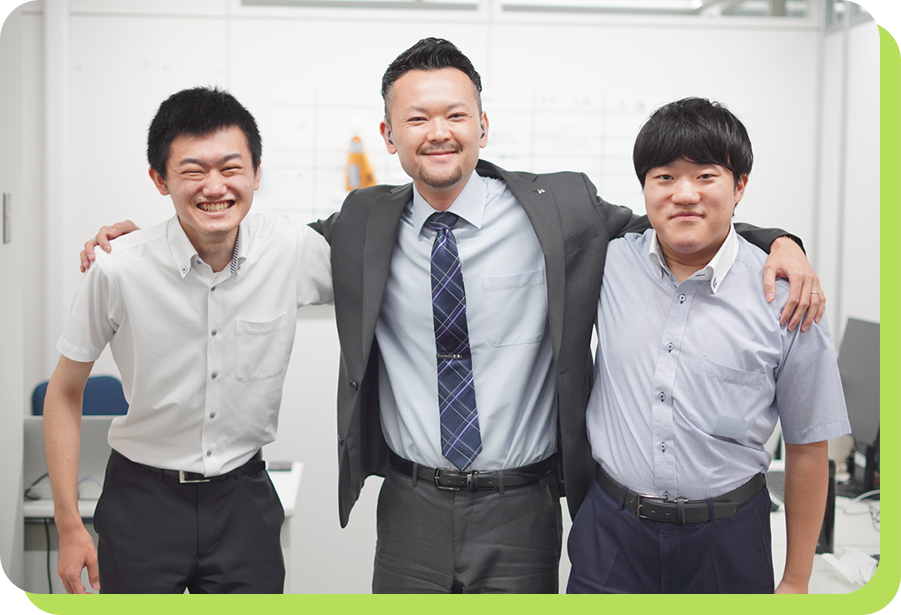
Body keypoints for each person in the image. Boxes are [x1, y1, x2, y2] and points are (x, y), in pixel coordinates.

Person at [79, 40, 823, 593]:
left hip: (523, 502)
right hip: (411, 501)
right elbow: (250, 247)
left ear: (482, 126)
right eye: (417, 118)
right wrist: (155, 238)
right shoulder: (363, 222)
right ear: (389, 135)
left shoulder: (558, 208)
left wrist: (776, 240)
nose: (437, 131)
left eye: (455, 114)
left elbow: (671, 222)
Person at [44, 86, 333, 594]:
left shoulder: (292, 249)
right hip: (141, 503)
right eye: (193, 171)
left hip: (244, 501)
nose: (215, 187)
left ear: (257, 173)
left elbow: (384, 273)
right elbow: (65, 392)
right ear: (160, 180)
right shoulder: (118, 267)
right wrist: (69, 525)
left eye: (231, 168)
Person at [565, 97, 850, 594]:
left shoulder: (790, 299)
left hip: (728, 538)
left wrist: (797, 580)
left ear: (739, 186)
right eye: (665, 177)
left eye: (705, 176)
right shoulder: (608, 263)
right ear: (644, 187)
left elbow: (808, 447)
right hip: (611, 532)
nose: (684, 194)